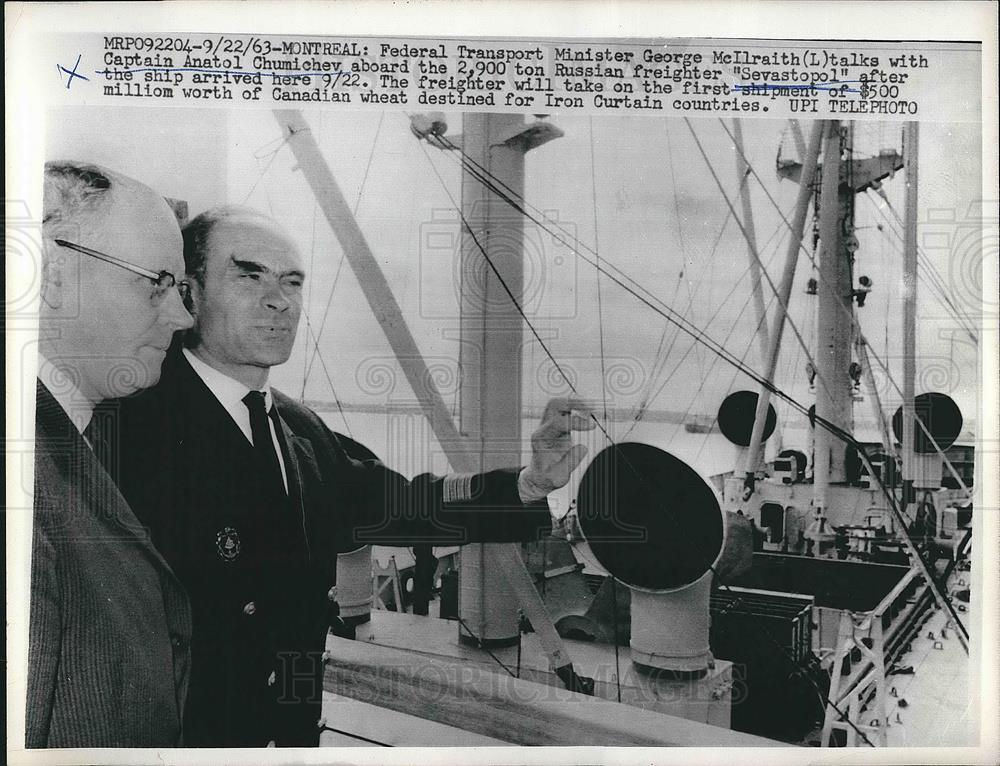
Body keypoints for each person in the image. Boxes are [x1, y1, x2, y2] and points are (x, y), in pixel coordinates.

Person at [99, 205, 593, 747]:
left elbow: (401, 505)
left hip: (287, 728)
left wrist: (530, 483)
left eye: (292, 282)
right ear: (188, 293)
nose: (278, 300)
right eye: (249, 275)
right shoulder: (126, 428)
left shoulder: (297, 427)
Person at [27, 162, 195, 747]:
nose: (180, 317)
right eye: (155, 283)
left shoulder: (74, 439)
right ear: (50, 277)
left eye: (180, 289)